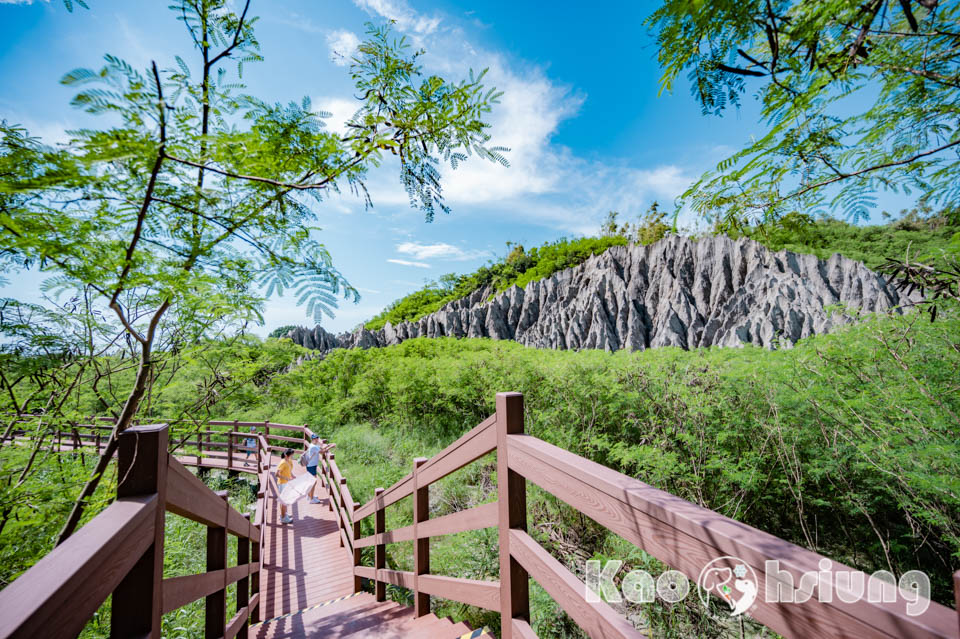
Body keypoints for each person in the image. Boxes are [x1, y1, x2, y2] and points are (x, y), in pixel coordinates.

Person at [302, 432, 326, 504]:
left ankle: (310, 496)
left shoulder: (312, 445)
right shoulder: (313, 446)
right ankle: (311, 499)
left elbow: (321, 448)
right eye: (314, 438)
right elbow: (323, 451)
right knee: (313, 482)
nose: (316, 439)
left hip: (311, 466)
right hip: (311, 466)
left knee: (312, 481)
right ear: (312, 439)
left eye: (317, 438)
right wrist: (332, 446)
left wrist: (328, 445)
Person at [276, 448, 295, 524]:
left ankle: (284, 514)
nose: (292, 457)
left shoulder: (289, 461)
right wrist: (286, 478)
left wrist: (292, 476)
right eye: (291, 456)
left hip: (287, 482)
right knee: (284, 501)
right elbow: (276, 474)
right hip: (282, 483)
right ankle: (283, 518)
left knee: (285, 500)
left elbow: (289, 470)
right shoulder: (283, 463)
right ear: (286, 456)